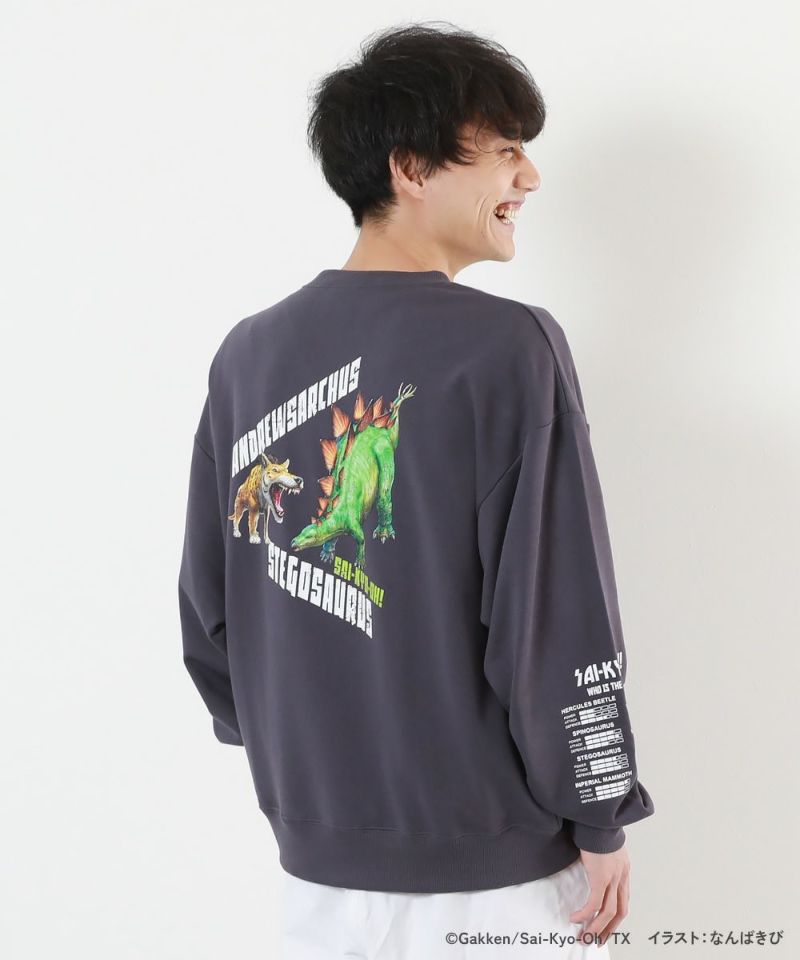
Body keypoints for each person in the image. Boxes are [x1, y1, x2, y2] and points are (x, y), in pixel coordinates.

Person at [178, 21, 655, 960]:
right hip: (495, 875)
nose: (530, 177)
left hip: (316, 872)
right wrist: (600, 810)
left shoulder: (249, 353)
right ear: (411, 168)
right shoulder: (508, 346)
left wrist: (302, 759)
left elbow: (209, 607)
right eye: (505, 150)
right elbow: (555, 616)